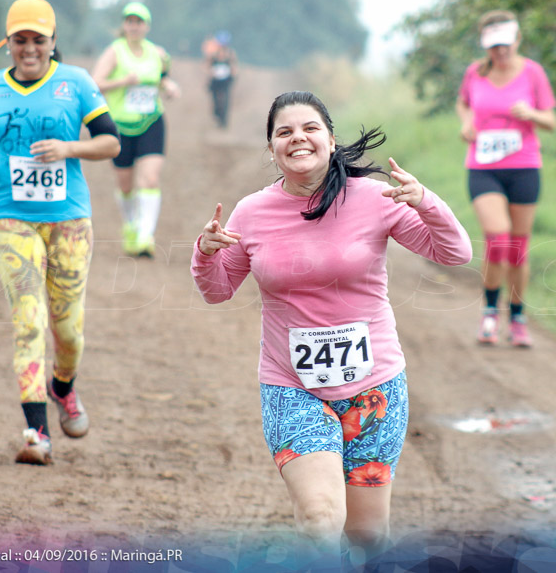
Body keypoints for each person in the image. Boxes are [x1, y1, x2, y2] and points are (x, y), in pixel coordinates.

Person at [191, 91, 471, 567]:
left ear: (330, 138)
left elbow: (455, 253)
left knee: (366, 535)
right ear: (272, 148)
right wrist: (206, 252)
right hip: (293, 387)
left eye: (309, 128)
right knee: (321, 518)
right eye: (284, 132)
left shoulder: (374, 198)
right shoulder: (252, 212)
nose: (297, 137)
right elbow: (217, 290)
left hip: (374, 387)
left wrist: (427, 202)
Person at [0, 0, 121, 465]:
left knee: (67, 329)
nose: (29, 48)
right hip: (9, 215)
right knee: (28, 320)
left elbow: (111, 142)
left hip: (69, 219)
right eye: (20, 40)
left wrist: (69, 148)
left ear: (54, 42)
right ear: (7, 43)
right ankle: (36, 434)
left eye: (38, 40)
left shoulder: (75, 83)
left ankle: (63, 387)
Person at [455, 10, 556, 348]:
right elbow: (464, 103)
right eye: (493, 46)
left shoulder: (533, 73)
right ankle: (489, 312)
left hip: (524, 165)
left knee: (517, 249)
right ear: (485, 45)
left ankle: (517, 316)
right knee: (498, 239)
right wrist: (467, 122)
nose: (500, 52)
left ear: (517, 40)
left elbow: (551, 120)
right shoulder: (475, 72)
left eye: (505, 45)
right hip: (484, 167)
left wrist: (532, 115)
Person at [91, 2, 180, 258]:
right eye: (129, 21)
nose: (134, 26)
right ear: (124, 25)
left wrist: (170, 87)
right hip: (119, 126)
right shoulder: (114, 52)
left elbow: (162, 78)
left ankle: (145, 235)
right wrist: (123, 81)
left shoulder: (158, 53)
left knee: (150, 179)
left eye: (139, 21)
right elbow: (95, 83)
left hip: (152, 121)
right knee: (126, 185)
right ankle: (131, 225)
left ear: (147, 26)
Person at [205, 30, 237, 129]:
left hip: (226, 80)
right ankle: (217, 114)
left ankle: (224, 120)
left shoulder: (230, 54)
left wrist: (233, 75)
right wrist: (209, 75)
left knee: (226, 100)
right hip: (215, 80)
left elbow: (234, 66)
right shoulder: (214, 54)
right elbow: (207, 66)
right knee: (215, 100)